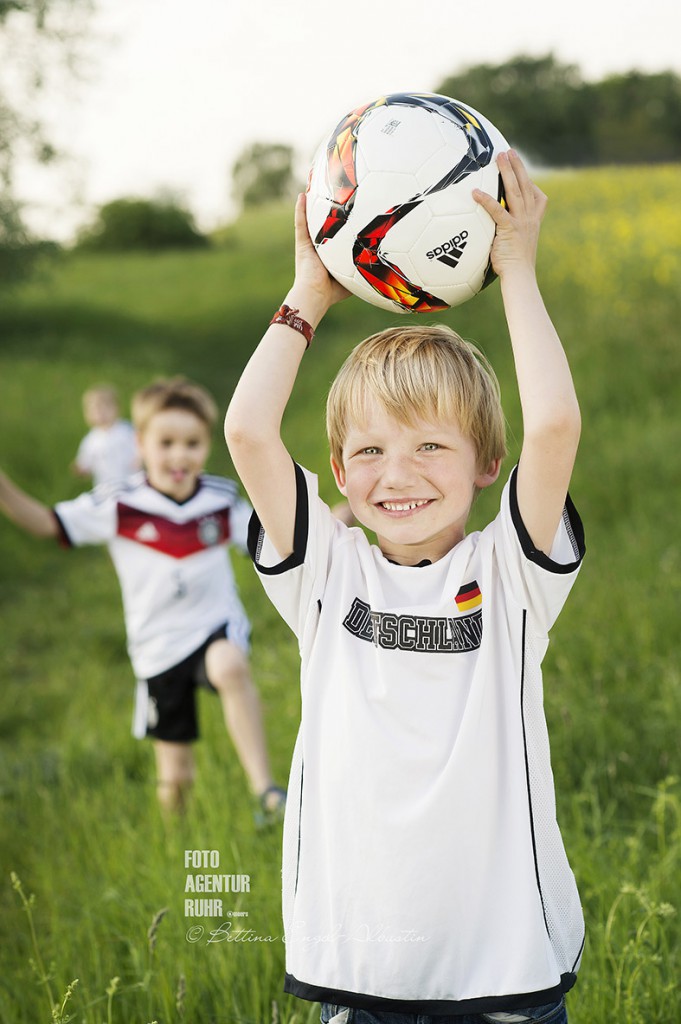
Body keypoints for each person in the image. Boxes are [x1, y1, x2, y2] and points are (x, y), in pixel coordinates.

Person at [224, 150, 584, 1022]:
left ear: (485, 465)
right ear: (339, 474)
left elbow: (557, 423)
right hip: (361, 962)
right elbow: (245, 430)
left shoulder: (508, 572)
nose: (399, 474)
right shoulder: (325, 572)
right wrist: (308, 293)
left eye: (431, 447)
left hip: (503, 961)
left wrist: (517, 274)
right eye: (371, 452)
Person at [0, 376, 285, 818]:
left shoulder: (220, 499)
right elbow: (45, 522)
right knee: (175, 777)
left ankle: (265, 792)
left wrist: (330, 524)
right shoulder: (119, 504)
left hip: (214, 626)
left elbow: (272, 541)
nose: (178, 455)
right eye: (166, 442)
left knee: (230, 664)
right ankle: (175, 844)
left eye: (191, 443)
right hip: (157, 648)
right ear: (140, 444)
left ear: (207, 445)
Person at [72, 384, 140, 487]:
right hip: (105, 487)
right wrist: (82, 469)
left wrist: (139, 459)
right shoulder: (91, 440)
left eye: (105, 408)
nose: (100, 413)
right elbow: (86, 461)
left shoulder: (126, 430)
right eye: (95, 410)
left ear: (117, 409)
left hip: (131, 482)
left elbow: (140, 445)